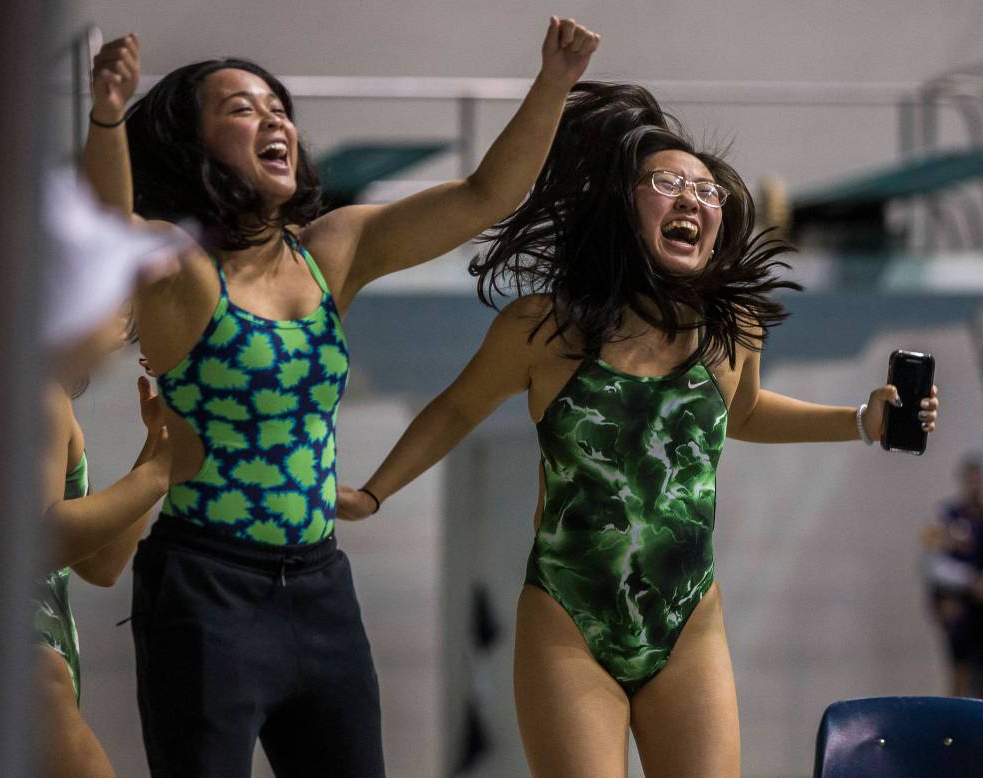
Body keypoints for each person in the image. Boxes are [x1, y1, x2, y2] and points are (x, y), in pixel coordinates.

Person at [337, 81, 942, 778]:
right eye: (667, 183)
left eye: (707, 191)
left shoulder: (732, 330)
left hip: (687, 626)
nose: (692, 198)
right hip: (570, 623)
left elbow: (741, 413)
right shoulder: (545, 328)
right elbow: (455, 408)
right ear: (622, 209)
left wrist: (861, 421)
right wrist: (374, 493)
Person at [82, 19, 600, 777]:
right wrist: (105, 117)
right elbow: (107, 231)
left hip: (321, 587)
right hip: (206, 590)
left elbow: (486, 195)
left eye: (278, 106)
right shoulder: (185, 272)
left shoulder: (331, 252)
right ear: (191, 150)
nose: (274, 119)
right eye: (241, 109)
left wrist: (553, 82)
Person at [36, 311, 170, 778]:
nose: (127, 312)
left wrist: (157, 445)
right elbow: (40, 541)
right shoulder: (36, 396)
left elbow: (99, 563)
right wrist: (163, 469)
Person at [922, 454, 983, 697]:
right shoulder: (946, 516)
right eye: (973, 480)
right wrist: (971, 582)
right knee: (960, 674)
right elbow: (933, 563)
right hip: (963, 607)